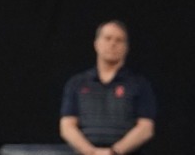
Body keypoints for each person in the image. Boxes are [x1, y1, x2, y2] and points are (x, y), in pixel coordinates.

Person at [59, 20, 156, 155]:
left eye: (119, 40)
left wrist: (114, 151)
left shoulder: (139, 84)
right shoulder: (77, 83)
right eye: (107, 38)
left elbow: (145, 128)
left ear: (126, 48)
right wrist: (91, 152)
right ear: (96, 44)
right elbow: (67, 126)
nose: (112, 44)